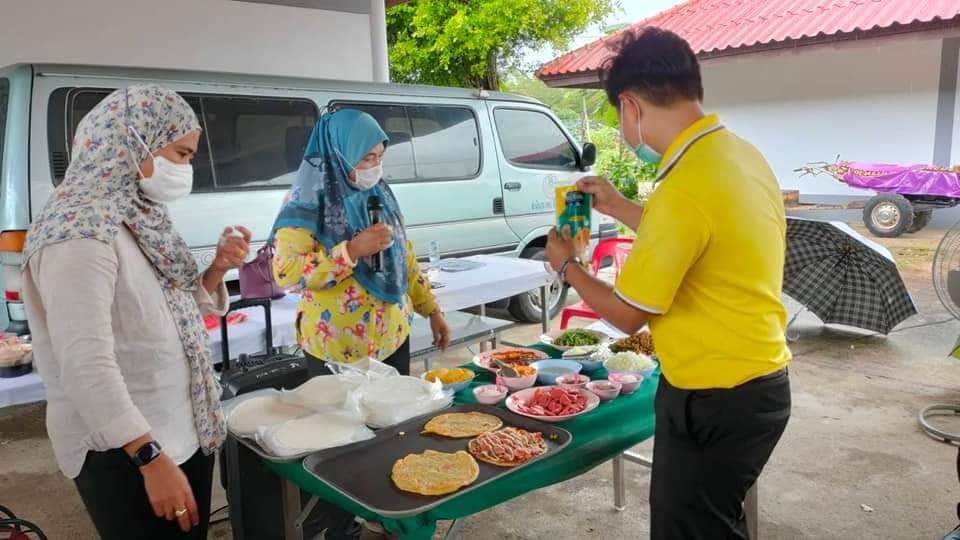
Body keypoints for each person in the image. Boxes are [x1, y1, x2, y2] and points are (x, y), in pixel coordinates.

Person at [546, 28, 792, 539]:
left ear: (631, 106)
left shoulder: (682, 188)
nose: (622, 132)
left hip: (715, 395)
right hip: (759, 384)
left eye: (618, 117)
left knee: (688, 529)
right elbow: (699, 238)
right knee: (714, 523)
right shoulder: (739, 155)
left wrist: (567, 267)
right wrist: (620, 207)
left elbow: (627, 314)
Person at [21, 85, 250, 539]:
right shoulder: (80, 232)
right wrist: (149, 457)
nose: (186, 169)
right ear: (132, 141)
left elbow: (166, 312)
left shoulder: (138, 214)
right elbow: (84, 363)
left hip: (179, 429)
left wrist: (217, 269)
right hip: (127, 450)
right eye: (181, 154)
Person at [270, 109, 450, 538]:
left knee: (391, 430)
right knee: (341, 442)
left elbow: (404, 256)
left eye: (379, 157)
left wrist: (432, 309)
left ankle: (384, 512)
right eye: (367, 158)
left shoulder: (380, 193)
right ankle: (337, 526)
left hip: (392, 338)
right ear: (339, 153)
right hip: (336, 349)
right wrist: (350, 251)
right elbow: (285, 272)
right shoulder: (306, 203)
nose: (374, 167)